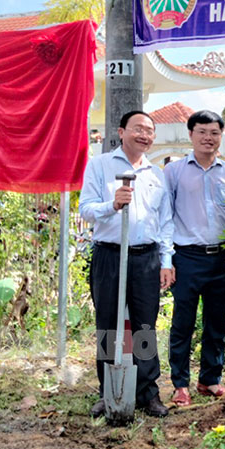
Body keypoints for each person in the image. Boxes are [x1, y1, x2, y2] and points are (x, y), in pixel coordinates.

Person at [79, 110, 174, 418]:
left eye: (149, 130)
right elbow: (86, 209)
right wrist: (113, 204)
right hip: (109, 254)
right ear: (121, 132)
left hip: (145, 258)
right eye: (137, 129)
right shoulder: (100, 166)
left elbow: (166, 222)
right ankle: (109, 391)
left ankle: (148, 392)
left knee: (144, 325)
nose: (144, 135)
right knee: (109, 324)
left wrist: (165, 260)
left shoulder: (156, 174)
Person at [164, 110, 225, 407]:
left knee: (217, 322)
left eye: (214, 133)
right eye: (202, 132)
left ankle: (210, 378)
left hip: (222, 258)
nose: (208, 138)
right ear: (191, 135)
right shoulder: (174, 171)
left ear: (221, 136)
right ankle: (180, 384)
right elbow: (164, 215)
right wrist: (167, 259)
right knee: (183, 322)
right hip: (186, 256)